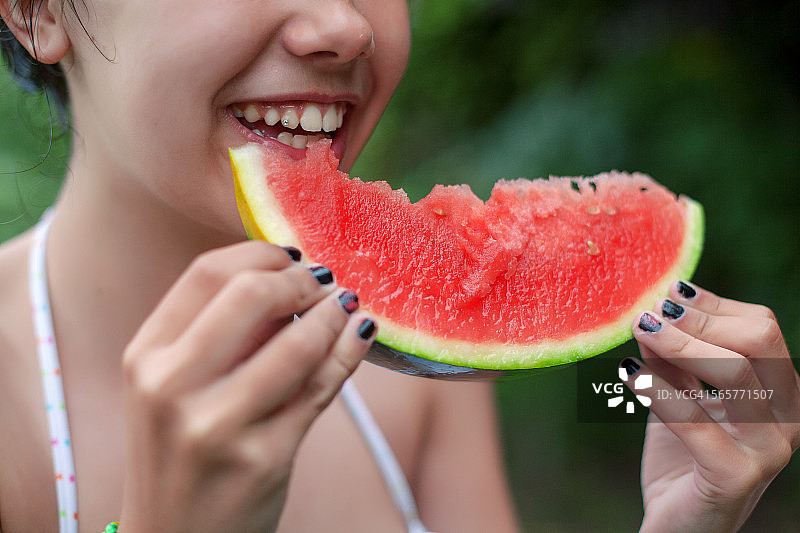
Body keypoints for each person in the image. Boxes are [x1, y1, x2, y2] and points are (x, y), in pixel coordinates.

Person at [0, 1, 796, 532]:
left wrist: (685, 523)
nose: (345, 25)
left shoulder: (420, 376)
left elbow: (622, 400)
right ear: (38, 10)